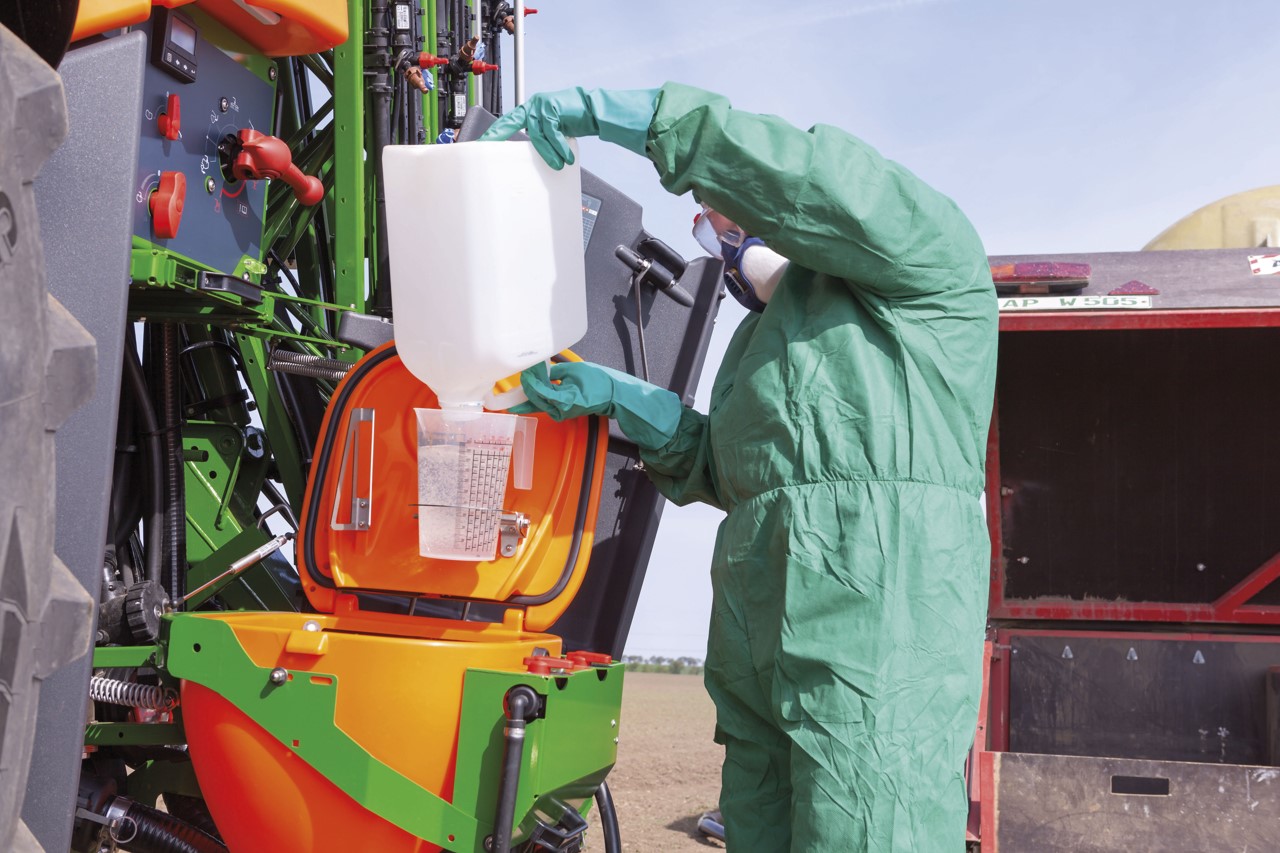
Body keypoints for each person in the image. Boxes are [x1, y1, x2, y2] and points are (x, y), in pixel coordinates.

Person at [480, 84, 997, 851]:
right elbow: (729, 472)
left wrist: (645, 121)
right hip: (758, 653)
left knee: (868, 821)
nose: (723, 238)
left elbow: (814, 179)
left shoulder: (928, 262)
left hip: (880, 645)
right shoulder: (757, 345)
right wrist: (621, 398)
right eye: (710, 227)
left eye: (729, 215)